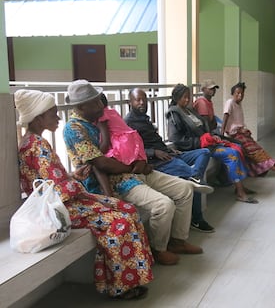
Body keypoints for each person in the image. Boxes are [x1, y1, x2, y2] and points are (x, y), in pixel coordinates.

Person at [14, 89, 153, 300]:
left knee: (127, 209)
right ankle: (119, 285)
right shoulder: (37, 145)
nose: (59, 116)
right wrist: (76, 185)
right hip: (63, 206)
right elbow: (54, 188)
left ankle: (133, 276)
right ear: (39, 117)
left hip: (66, 198)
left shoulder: (32, 142)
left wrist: (73, 176)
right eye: (53, 113)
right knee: (120, 221)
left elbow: (49, 179)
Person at [63, 79, 203, 266]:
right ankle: (159, 249)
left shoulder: (102, 118)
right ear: (80, 106)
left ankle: (177, 241)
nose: (100, 104)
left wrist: (140, 161)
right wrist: (133, 167)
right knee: (164, 205)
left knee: (185, 189)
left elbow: (125, 141)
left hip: (133, 171)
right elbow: (101, 163)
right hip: (115, 181)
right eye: (95, 102)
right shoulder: (74, 128)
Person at [125, 88, 215, 233]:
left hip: (169, 154)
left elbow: (156, 140)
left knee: (204, 153)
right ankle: (197, 219)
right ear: (130, 102)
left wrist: (169, 150)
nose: (142, 103)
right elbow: (130, 151)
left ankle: (195, 176)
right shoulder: (128, 122)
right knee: (192, 177)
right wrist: (153, 152)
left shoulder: (144, 118)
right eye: (138, 100)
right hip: (157, 162)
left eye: (145, 99)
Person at [166, 83, 258, 204]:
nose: (187, 99)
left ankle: (239, 185)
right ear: (177, 97)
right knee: (232, 154)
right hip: (196, 148)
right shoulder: (174, 114)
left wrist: (212, 136)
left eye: (189, 96)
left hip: (207, 142)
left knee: (237, 147)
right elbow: (176, 138)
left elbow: (204, 127)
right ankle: (240, 192)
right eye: (184, 97)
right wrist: (200, 141)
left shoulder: (189, 111)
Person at [221, 82, 275, 178]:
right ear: (233, 93)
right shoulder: (230, 102)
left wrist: (244, 130)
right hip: (236, 136)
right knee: (257, 153)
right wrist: (222, 134)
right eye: (237, 93)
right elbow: (225, 117)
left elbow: (237, 122)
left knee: (259, 152)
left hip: (242, 134)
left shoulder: (238, 104)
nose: (240, 95)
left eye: (242, 93)